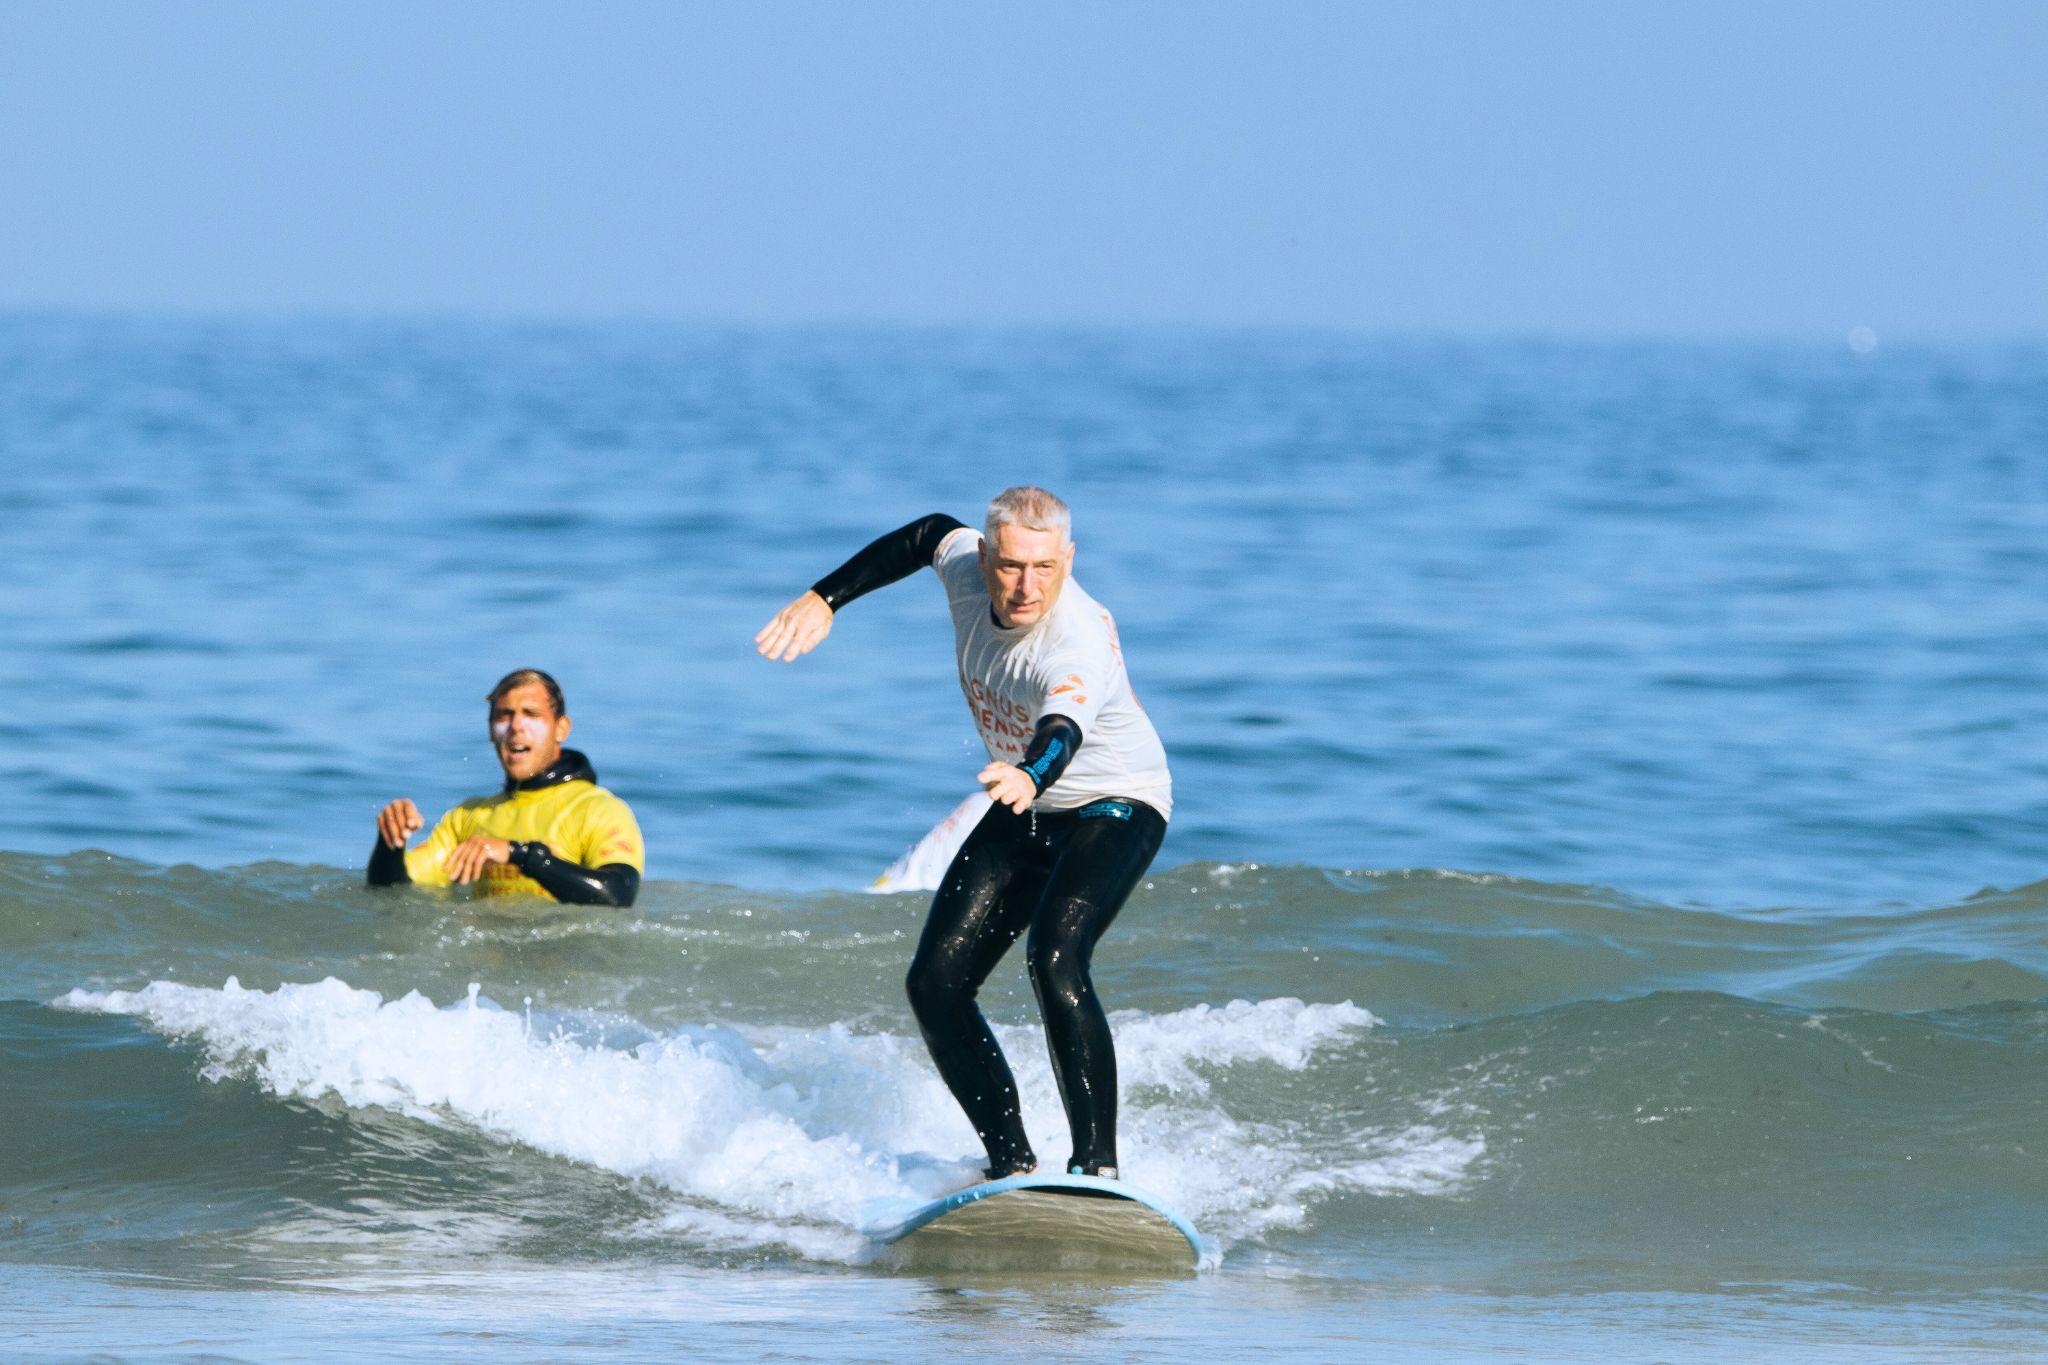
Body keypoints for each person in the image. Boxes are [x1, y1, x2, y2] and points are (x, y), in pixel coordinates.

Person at [756, 486, 1171, 1180]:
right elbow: (924, 534)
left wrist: (1033, 776)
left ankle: (1097, 1169)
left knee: (1056, 955)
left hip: (1115, 800)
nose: (1025, 585)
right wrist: (825, 598)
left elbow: (1061, 729)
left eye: (1043, 567)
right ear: (984, 558)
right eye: (1009, 565)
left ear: (1067, 560)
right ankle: (1009, 1164)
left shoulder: (1077, 640)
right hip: (1025, 801)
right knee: (935, 983)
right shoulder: (964, 570)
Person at [367, 669, 645, 907]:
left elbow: (618, 894)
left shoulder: (598, 809)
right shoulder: (468, 818)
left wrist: (520, 855)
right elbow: (394, 895)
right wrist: (390, 845)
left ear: (561, 728)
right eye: (504, 715)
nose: (516, 727)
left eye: (531, 714)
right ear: (490, 729)